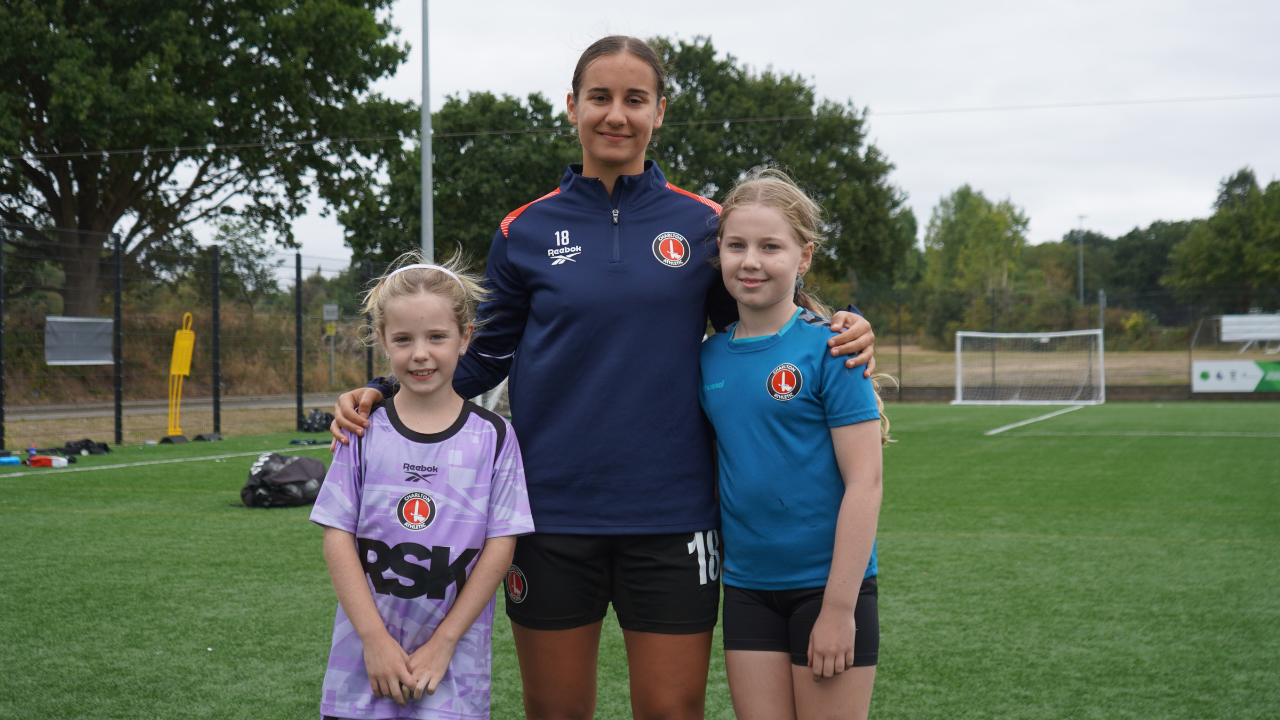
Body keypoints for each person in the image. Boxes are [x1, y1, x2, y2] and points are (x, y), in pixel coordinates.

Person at [330, 36, 880, 720]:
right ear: (572, 106)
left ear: (660, 112)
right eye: (600, 97)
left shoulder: (703, 225)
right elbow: (484, 356)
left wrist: (841, 324)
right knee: (556, 712)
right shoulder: (525, 230)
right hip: (552, 515)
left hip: (674, 517)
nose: (616, 114)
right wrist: (383, 391)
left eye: (634, 99)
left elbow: (760, 321)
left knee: (671, 712)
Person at [310, 255, 535, 720]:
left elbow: (501, 546)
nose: (420, 353)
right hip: (364, 661)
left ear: (465, 337)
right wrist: (373, 640)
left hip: (452, 667)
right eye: (403, 339)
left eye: (436, 337)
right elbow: (337, 536)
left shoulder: (495, 437)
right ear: (382, 341)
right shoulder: (362, 430)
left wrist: (444, 642)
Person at [699, 168, 887, 720]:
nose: (750, 261)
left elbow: (866, 483)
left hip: (828, 589)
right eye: (736, 245)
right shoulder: (707, 357)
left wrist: (838, 608)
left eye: (770, 247)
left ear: (803, 257)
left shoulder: (834, 349)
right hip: (747, 589)